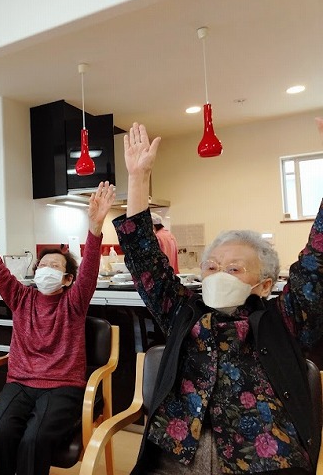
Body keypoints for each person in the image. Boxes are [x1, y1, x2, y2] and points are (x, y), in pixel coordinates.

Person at [112, 122, 323, 474]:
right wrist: (137, 178)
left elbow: (317, 263)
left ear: (264, 285)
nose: (218, 274)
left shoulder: (282, 320)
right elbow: (144, 258)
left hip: (264, 460)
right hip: (175, 456)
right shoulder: (183, 312)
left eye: (234, 268)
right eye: (211, 266)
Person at [0, 181, 115, 475]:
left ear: (68, 279)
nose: (47, 270)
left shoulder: (74, 302)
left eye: (55, 267)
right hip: (20, 384)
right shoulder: (21, 298)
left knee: (34, 439)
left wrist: (95, 228)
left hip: (63, 387)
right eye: (43, 266)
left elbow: (89, 273)